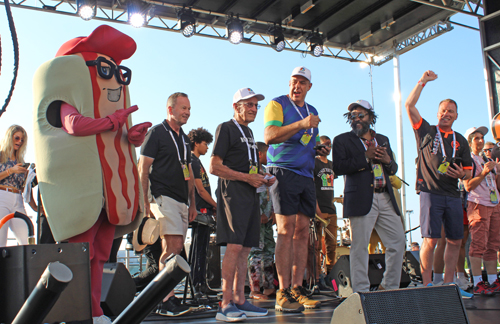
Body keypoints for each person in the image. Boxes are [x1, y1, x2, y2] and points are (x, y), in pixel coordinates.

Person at [33, 26, 148, 324]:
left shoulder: (113, 110)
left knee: (100, 254)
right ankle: (75, 311)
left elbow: (113, 136)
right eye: (103, 68)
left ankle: (94, 310)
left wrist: (132, 135)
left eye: (117, 71)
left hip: (108, 194)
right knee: (79, 255)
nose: (112, 78)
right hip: (81, 194)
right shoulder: (64, 99)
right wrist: (111, 121)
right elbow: (74, 125)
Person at [404, 70, 473, 297]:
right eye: (443, 110)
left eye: (450, 111)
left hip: (453, 195)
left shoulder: (460, 139)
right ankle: (427, 286)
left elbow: (468, 171)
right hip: (430, 192)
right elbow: (409, 105)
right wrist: (422, 82)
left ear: (456, 116)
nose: (446, 114)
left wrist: (459, 174)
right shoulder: (427, 130)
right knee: (431, 240)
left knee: (455, 240)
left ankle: (450, 285)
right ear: (437, 113)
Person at [264, 66, 326, 312]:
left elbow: (307, 141)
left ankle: (297, 288)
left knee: (302, 231)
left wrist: (316, 149)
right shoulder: (277, 104)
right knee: (285, 230)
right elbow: (269, 135)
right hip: (282, 171)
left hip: (305, 175)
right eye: (293, 81)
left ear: (309, 86)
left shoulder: (313, 111)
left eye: (302, 82)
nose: (296, 86)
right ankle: (282, 291)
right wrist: (301, 124)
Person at [210, 88, 274, 322]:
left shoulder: (248, 131)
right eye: (249, 105)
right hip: (233, 193)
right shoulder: (225, 128)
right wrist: (248, 178)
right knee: (235, 247)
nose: (254, 109)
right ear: (236, 106)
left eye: (256, 105)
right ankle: (225, 303)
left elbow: (250, 169)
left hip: (250, 195)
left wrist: (263, 178)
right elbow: (214, 166)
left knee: (246, 248)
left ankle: (239, 298)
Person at [331, 99, 405, 293]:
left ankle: (388, 288)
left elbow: (393, 169)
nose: (356, 119)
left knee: (398, 242)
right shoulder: (342, 140)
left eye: (360, 115)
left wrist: (388, 160)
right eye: (352, 116)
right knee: (359, 247)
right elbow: (338, 167)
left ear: (371, 118)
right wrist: (365, 157)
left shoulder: (383, 138)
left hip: (385, 196)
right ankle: (361, 292)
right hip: (362, 198)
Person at [140, 92, 198, 316]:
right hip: (163, 195)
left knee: (176, 247)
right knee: (171, 245)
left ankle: (167, 296)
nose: (187, 112)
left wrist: (192, 203)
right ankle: (164, 299)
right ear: (170, 109)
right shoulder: (156, 132)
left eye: (189, 109)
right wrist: (144, 200)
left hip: (182, 199)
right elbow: (142, 167)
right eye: (183, 108)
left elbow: (189, 172)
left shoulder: (184, 138)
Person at [463, 127, 500, 295]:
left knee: (493, 244)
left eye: (482, 137)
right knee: (478, 244)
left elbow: (494, 182)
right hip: (478, 204)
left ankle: (493, 280)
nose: (480, 141)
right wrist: (485, 172)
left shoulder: (486, 158)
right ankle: (477, 281)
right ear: (470, 141)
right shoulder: (468, 159)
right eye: (476, 138)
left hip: (494, 203)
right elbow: (468, 185)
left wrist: (496, 170)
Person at [187, 127, 217, 295]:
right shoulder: (193, 161)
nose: (207, 147)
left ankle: (199, 283)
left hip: (202, 211)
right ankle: (198, 285)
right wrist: (216, 205)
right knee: (199, 250)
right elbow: (200, 190)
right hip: (199, 212)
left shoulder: (195, 161)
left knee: (201, 250)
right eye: (205, 144)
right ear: (196, 143)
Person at [247, 141, 276, 300]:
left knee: (269, 251)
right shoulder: (252, 171)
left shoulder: (265, 171)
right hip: (256, 219)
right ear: (259, 154)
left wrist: (272, 212)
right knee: (255, 252)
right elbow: (251, 194)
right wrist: (258, 213)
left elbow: (269, 194)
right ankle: (255, 290)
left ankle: (269, 287)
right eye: (267, 153)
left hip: (268, 219)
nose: (269, 156)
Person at [313, 135, 337, 290]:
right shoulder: (313, 163)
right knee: (315, 246)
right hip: (318, 210)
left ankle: (331, 274)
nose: (327, 147)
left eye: (330, 145)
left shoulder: (333, 165)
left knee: (332, 244)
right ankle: (316, 277)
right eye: (325, 144)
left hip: (331, 209)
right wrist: (317, 210)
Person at [0, 125, 29, 247]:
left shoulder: (20, 160)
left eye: (22, 140)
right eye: (17, 138)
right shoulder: (1, 155)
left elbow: (23, 187)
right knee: (1, 241)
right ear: (9, 138)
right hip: (2, 197)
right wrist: (11, 171)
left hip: (18, 199)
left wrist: (29, 176)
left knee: (27, 240)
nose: (19, 142)